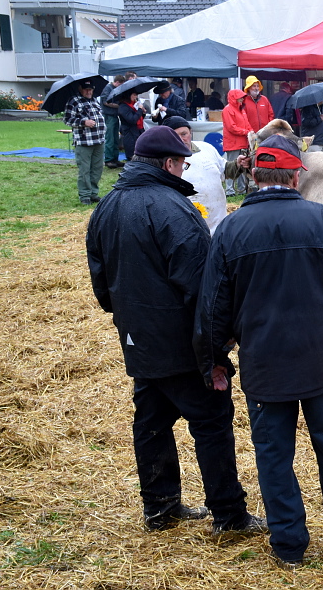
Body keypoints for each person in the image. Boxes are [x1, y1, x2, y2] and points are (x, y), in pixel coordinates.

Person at [195, 134, 323, 568]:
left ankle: (289, 545)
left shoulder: (230, 230)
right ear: (297, 174)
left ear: (255, 174)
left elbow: (213, 307)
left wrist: (214, 361)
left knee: (274, 457)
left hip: (264, 368)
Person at [86, 125, 265, 535]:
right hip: (183, 342)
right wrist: (218, 343)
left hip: (139, 339)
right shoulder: (174, 209)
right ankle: (230, 515)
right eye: (182, 164)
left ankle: (160, 507)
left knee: (151, 421)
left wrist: (127, 319)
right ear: (168, 164)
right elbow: (202, 287)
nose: (185, 171)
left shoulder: (106, 206)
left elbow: (100, 280)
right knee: (212, 422)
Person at [163, 116, 235, 234]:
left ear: (191, 132)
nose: (181, 139)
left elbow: (224, 170)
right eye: (176, 136)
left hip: (218, 227)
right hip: (187, 230)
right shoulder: (164, 161)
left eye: (184, 134)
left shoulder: (206, 148)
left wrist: (239, 164)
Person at [64, 78, 107, 205]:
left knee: (97, 168)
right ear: (80, 89)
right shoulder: (73, 101)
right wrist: (84, 122)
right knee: (84, 170)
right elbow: (67, 120)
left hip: (99, 140)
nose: (89, 91)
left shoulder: (94, 100)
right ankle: (85, 195)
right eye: (86, 89)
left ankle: (94, 193)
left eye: (91, 89)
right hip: (84, 142)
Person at [222, 88, 255, 195]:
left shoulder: (241, 109)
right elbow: (231, 127)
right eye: (239, 97)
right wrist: (247, 132)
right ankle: (229, 191)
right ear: (234, 98)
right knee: (232, 167)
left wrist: (251, 131)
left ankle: (242, 189)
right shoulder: (227, 110)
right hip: (233, 144)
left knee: (242, 167)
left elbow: (247, 124)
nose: (241, 99)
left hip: (242, 143)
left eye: (242, 97)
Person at [100, 74, 126, 168]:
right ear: (117, 82)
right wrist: (119, 106)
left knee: (115, 138)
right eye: (121, 85)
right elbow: (105, 102)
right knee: (110, 138)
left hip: (114, 116)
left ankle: (115, 158)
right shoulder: (108, 88)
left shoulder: (114, 88)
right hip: (109, 115)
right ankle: (108, 160)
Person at [117, 90, 148, 164]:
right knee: (132, 154)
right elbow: (132, 119)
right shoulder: (123, 107)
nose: (135, 97)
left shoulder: (134, 104)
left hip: (139, 130)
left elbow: (139, 117)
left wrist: (142, 112)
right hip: (130, 133)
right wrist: (140, 110)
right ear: (128, 95)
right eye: (134, 95)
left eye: (136, 95)